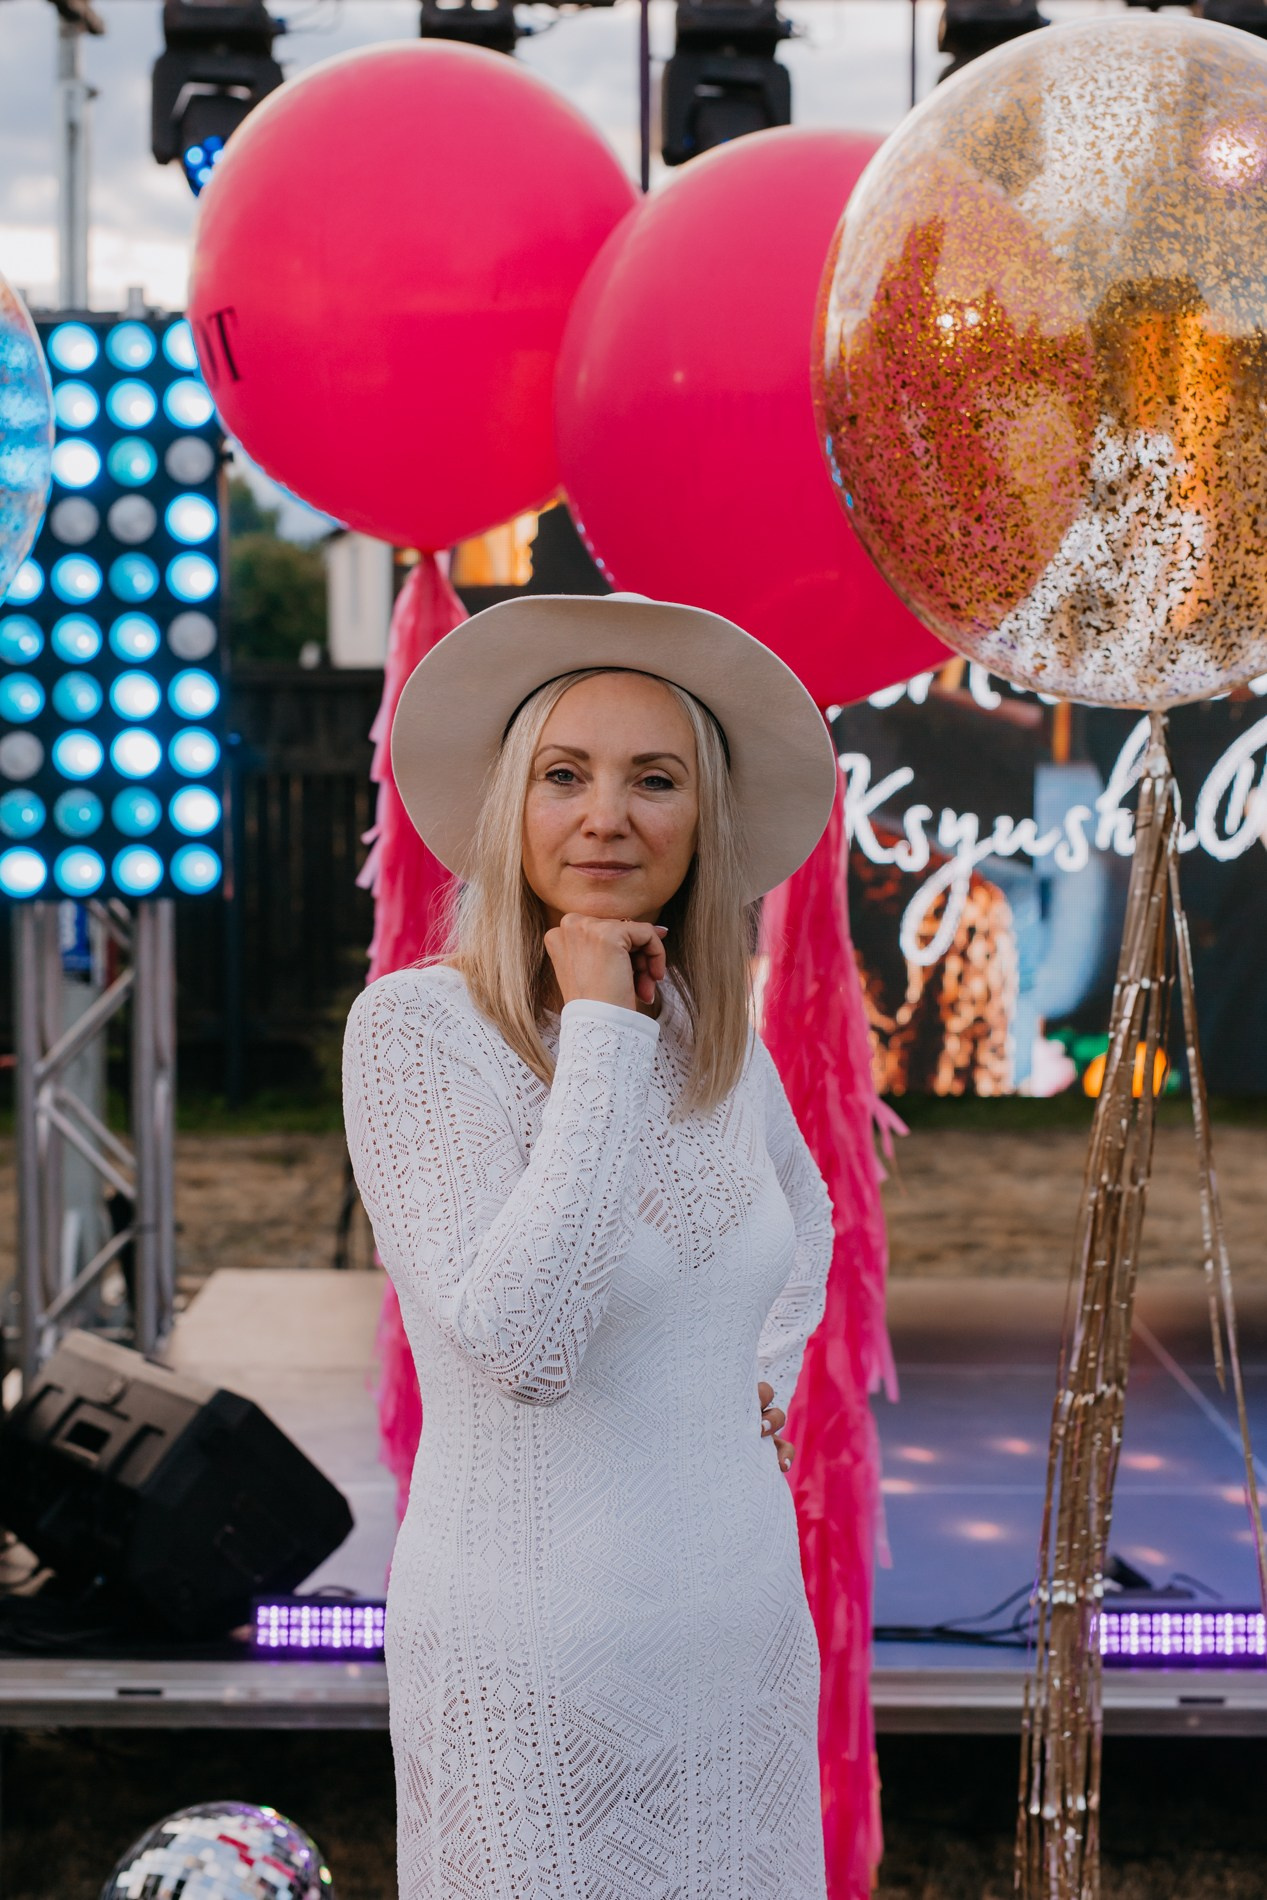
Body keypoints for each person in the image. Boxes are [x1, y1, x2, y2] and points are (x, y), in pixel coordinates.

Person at [342, 592, 839, 1899]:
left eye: (653, 780)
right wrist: (602, 1033)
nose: (606, 814)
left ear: (705, 819)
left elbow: (803, 1227)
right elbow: (522, 1342)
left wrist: (750, 1391)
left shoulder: (715, 1047)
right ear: (513, 801)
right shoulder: (415, 1035)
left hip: (737, 1652)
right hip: (530, 1669)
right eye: (565, 775)